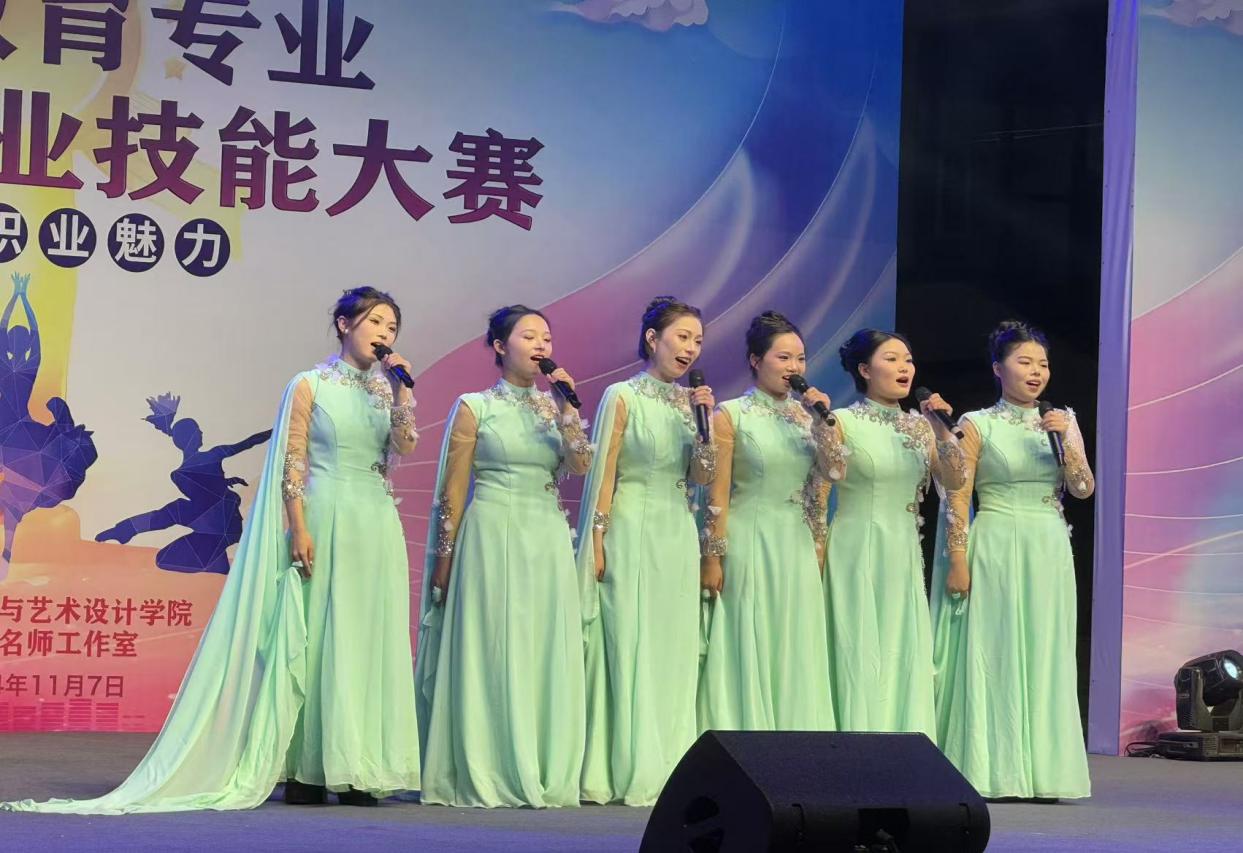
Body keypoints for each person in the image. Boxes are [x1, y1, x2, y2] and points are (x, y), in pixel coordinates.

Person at [2, 286, 421, 813]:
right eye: (375, 321)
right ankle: (307, 768)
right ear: (344, 324)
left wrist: (402, 395)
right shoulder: (309, 384)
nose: (384, 334)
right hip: (325, 514)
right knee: (314, 638)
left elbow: (405, 446)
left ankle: (359, 766)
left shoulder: (387, 390)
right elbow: (292, 461)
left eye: (392, 327)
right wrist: (298, 526)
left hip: (374, 521)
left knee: (364, 639)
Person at [414, 305, 592, 807]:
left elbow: (580, 465)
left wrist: (569, 413)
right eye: (529, 336)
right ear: (499, 346)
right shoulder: (475, 406)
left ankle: (539, 761)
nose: (541, 346)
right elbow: (452, 490)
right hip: (491, 532)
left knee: (540, 645)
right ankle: (487, 763)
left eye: (546, 338)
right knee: (494, 642)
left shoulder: (556, 405)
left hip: (547, 535)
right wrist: (444, 558)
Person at [932, 321, 1093, 800]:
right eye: (1024, 362)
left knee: (1045, 651)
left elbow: (1083, 488)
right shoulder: (978, 423)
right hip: (997, 541)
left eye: (1043, 364)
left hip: (1048, 544)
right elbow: (957, 495)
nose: (1036, 372)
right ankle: (994, 769)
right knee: (998, 650)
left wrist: (1067, 445)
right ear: (998, 369)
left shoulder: (1062, 420)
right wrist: (957, 559)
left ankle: (1046, 772)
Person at [578, 296, 716, 806]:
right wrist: (596, 539)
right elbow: (604, 474)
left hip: (675, 529)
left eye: (697, 340)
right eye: (682, 336)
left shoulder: (692, 405)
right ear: (653, 338)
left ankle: (670, 766)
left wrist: (705, 428)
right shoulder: (622, 395)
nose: (690, 348)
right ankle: (626, 763)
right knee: (629, 640)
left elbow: (701, 477)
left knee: (671, 647)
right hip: (631, 524)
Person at [696, 311, 837, 732]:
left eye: (800, 358)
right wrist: (712, 557)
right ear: (756, 360)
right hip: (750, 538)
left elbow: (832, 474)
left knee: (795, 642)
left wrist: (823, 424)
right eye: (783, 357)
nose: (794, 367)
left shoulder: (809, 417)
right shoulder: (731, 415)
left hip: (795, 540)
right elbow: (717, 493)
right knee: (752, 635)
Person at [822, 329, 965, 738]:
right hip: (855, 546)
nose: (904, 368)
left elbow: (955, 481)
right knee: (859, 645)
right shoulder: (843, 422)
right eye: (891, 359)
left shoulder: (922, 426)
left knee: (900, 647)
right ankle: (856, 742)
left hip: (902, 548)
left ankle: (901, 743)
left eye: (908, 360)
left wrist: (943, 432)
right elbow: (824, 481)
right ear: (865, 370)